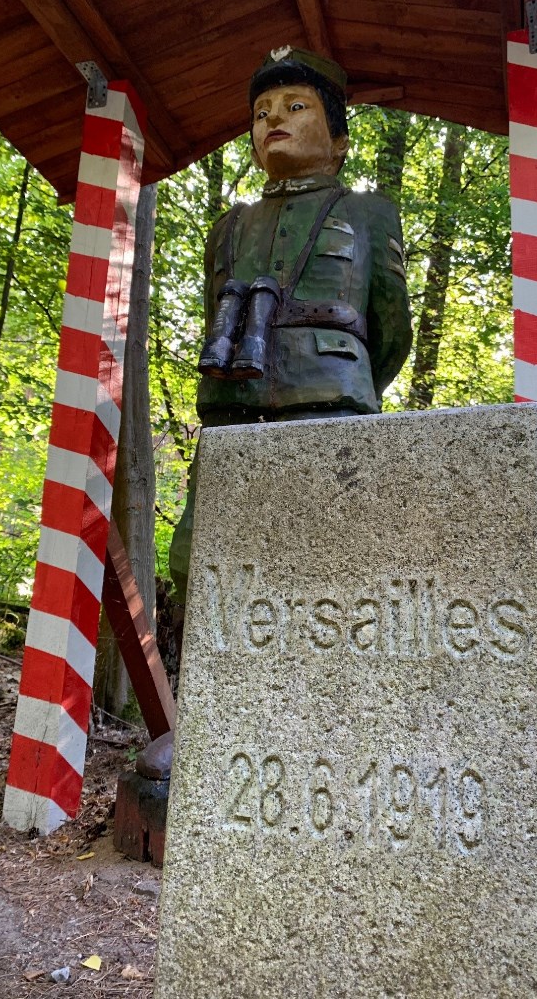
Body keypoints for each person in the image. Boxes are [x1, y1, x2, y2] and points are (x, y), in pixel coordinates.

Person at [169, 46, 413, 603]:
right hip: (232, 406)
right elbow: (217, 318)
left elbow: (392, 328)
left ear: (339, 142)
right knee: (199, 557)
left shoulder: (368, 212)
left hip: (332, 400)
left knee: (339, 555)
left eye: (296, 106)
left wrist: (348, 380)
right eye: (262, 113)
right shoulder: (230, 226)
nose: (274, 118)